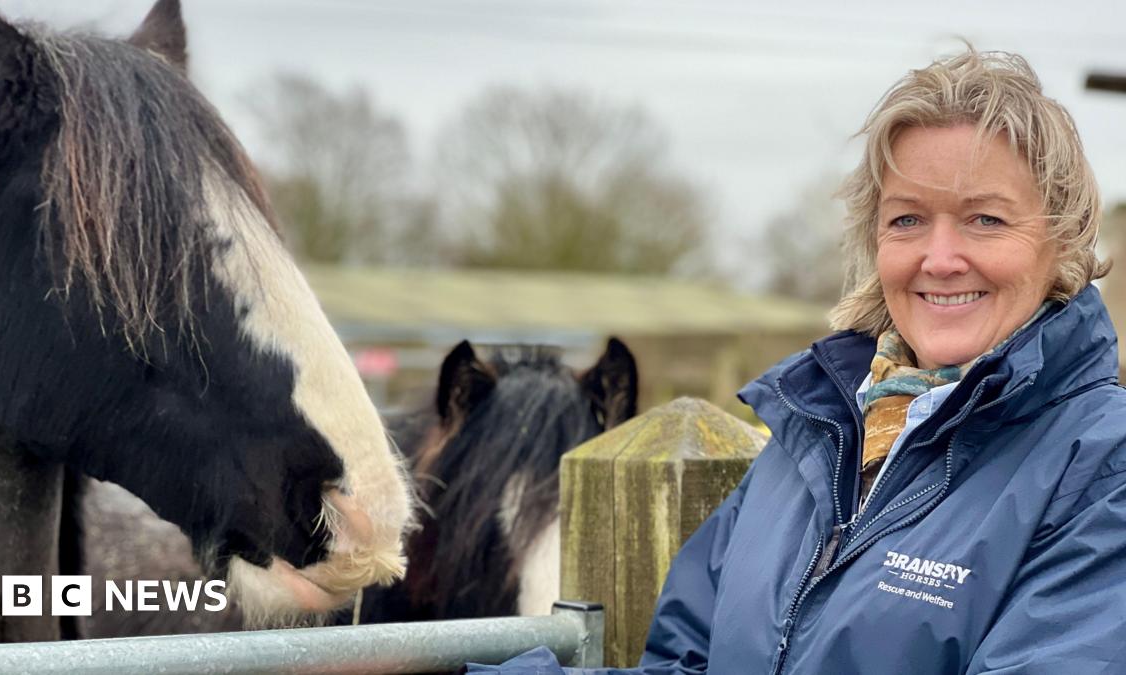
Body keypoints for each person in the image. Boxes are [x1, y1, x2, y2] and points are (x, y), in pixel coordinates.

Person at [470, 47, 1126, 674]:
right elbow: (687, 665)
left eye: (984, 219)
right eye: (907, 220)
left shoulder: (1102, 466)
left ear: (1063, 238)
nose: (940, 256)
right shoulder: (813, 436)